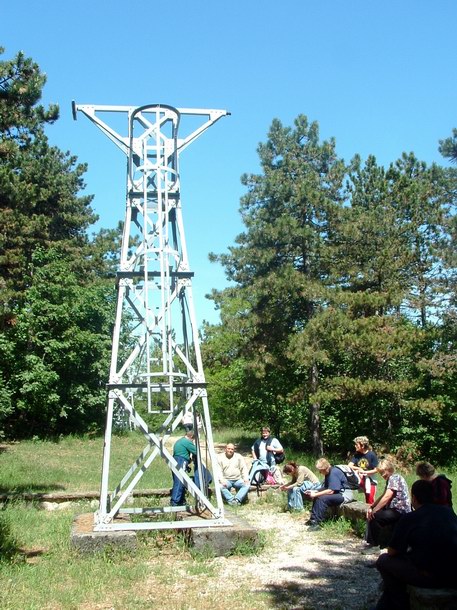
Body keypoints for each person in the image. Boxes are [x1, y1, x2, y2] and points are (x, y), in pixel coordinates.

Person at [373, 479, 457, 610]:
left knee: (383, 561)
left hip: (431, 576)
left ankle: (399, 603)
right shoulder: (449, 513)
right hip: (453, 573)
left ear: (414, 498)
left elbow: (392, 552)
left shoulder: (410, 517)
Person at [362, 459, 411, 553]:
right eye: (381, 473)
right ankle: (374, 542)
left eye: (383, 472)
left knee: (375, 517)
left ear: (389, 469)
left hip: (400, 510)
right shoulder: (391, 479)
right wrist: (372, 507)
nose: (382, 475)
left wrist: (375, 510)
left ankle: (375, 545)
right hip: (395, 509)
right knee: (374, 513)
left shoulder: (395, 478)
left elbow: (388, 496)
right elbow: (383, 495)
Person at [304, 458, 348, 530]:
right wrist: (314, 491)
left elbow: (331, 491)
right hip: (337, 493)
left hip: (344, 494)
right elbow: (326, 487)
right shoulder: (328, 473)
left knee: (322, 498)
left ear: (324, 468)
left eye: (320, 471)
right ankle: (313, 519)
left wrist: (316, 494)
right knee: (318, 496)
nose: (320, 473)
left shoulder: (333, 473)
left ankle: (317, 523)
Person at [348, 435, 378, 504]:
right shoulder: (357, 455)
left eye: (356, 444)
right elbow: (349, 465)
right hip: (360, 479)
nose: (355, 446)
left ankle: (371, 513)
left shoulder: (371, 455)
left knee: (369, 499)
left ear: (362, 446)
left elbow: (376, 470)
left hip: (370, 480)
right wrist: (358, 468)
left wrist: (365, 472)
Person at [170, 430, 197, 506]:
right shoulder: (187, 442)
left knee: (177, 480)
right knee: (180, 481)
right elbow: (196, 452)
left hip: (175, 459)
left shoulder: (180, 441)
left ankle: (181, 500)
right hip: (181, 460)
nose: (193, 441)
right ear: (191, 437)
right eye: (193, 440)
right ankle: (175, 502)